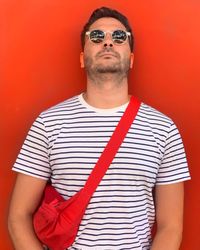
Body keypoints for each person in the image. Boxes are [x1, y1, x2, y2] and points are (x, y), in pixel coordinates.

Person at [8, 6, 190, 250]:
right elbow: (18, 215)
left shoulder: (163, 129)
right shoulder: (48, 123)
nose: (107, 43)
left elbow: (171, 226)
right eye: (96, 37)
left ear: (131, 59)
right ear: (83, 58)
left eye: (118, 37)